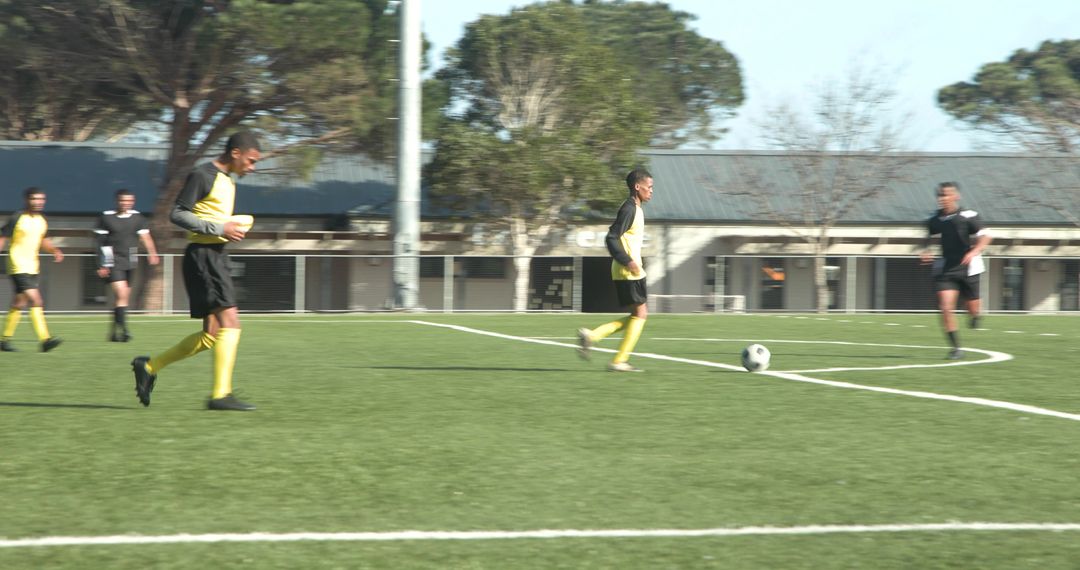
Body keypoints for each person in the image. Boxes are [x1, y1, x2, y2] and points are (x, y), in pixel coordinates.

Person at [131, 132, 261, 411]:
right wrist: (220, 228)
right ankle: (220, 395)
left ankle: (149, 366)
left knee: (211, 335)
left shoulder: (227, 180)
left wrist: (229, 228)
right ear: (236, 153)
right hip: (203, 257)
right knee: (231, 322)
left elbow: (212, 216)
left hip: (215, 255)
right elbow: (178, 214)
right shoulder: (203, 175)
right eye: (250, 161)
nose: (252, 168)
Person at [576, 168, 654, 372]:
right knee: (641, 314)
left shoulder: (636, 208)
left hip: (630, 269)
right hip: (629, 269)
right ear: (638, 187)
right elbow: (611, 237)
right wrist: (627, 260)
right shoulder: (630, 209)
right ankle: (618, 360)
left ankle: (592, 337)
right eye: (649, 187)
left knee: (638, 314)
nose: (651, 191)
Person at [919, 182, 992, 360]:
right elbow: (928, 236)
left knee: (973, 308)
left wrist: (975, 251)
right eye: (940, 195)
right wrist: (926, 250)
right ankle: (956, 349)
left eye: (946, 195)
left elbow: (986, 235)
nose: (942, 199)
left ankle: (975, 317)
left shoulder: (968, 216)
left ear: (956, 196)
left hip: (969, 267)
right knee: (945, 307)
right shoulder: (934, 219)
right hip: (946, 270)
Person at [0, 187, 64, 353]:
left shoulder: (42, 220)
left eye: (41, 199)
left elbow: (44, 241)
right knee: (36, 300)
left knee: (19, 303)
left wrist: (54, 250)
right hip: (17, 265)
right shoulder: (17, 217)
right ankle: (45, 340)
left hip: (33, 266)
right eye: (34, 199)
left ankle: (3, 340)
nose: (38, 202)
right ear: (26, 200)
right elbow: (3, 237)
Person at [95, 189, 160, 342]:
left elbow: (146, 237)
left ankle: (113, 333)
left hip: (130, 261)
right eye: (123, 200)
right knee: (121, 294)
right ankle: (124, 331)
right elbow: (98, 243)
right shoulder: (106, 217)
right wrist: (102, 264)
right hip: (112, 261)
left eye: (129, 201)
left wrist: (152, 253)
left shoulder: (138, 218)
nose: (126, 203)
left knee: (122, 299)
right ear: (117, 200)